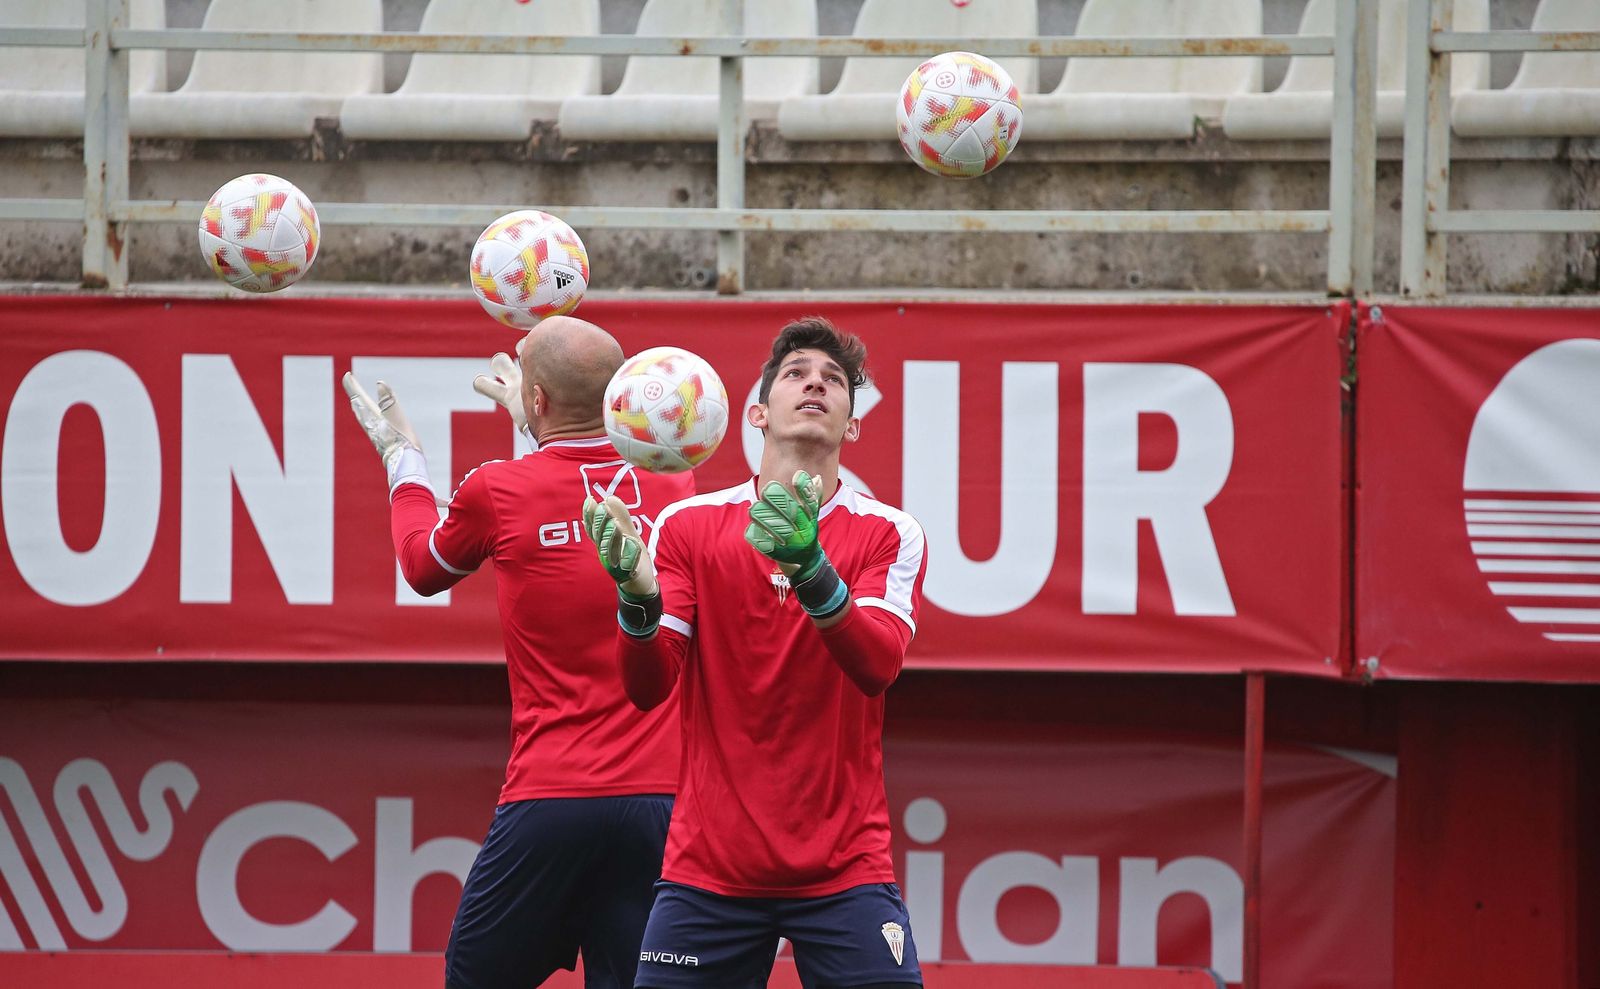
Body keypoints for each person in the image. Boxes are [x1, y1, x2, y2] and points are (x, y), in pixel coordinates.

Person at [343, 315, 695, 989]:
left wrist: (402, 458)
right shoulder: (676, 486)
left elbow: (421, 567)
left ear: (535, 399)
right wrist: (543, 423)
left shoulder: (496, 490)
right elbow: (587, 472)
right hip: (663, 802)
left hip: (552, 796)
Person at [584, 316, 929, 989]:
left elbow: (877, 666)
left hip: (845, 868)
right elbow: (648, 687)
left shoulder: (889, 532)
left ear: (853, 425)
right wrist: (636, 598)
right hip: (710, 869)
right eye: (797, 373)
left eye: (834, 381)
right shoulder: (688, 525)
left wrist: (811, 570)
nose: (815, 384)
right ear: (757, 413)